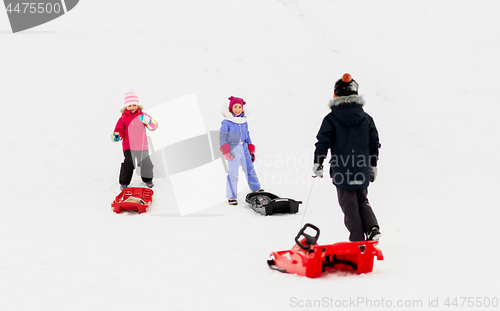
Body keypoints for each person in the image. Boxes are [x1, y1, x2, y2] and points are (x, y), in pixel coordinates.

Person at [313, 73, 381, 242]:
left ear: (335, 96)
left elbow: (323, 142)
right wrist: (373, 163)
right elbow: (374, 142)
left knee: (349, 205)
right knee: (362, 200)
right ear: (356, 95)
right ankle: (372, 228)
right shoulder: (366, 119)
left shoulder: (331, 119)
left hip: (342, 169)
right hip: (362, 167)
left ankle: (358, 241)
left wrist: (318, 162)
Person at [219, 96, 262, 205]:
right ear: (230, 108)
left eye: (240, 107)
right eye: (235, 107)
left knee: (250, 169)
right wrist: (226, 151)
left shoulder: (244, 121)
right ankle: (231, 196)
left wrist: (251, 149)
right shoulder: (227, 122)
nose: (238, 109)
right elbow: (222, 137)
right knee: (233, 173)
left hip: (244, 148)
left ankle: (255, 188)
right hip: (233, 149)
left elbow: (247, 136)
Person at [111, 91, 158, 190]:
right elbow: (119, 131)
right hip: (129, 146)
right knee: (129, 163)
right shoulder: (123, 119)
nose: (132, 107)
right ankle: (124, 182)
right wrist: (117, 136)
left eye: (134, 105)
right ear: (125, 107)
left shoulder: (142, 116)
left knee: (146, 163)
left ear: (138, 105)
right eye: (129, 106)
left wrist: (148, 121)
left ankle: (148, 179)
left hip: (142, 146)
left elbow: (153, 126)